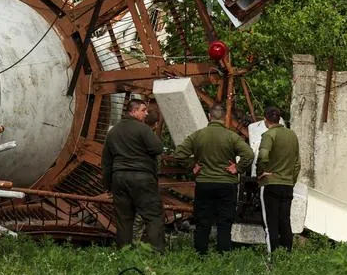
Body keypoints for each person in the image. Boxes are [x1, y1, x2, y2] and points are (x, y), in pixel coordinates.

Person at [174, 103, 254, 254]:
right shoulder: (232, 136)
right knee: (225, 221)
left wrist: (192, 165)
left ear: (209, 117)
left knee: (203, 221)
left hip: (204, 183)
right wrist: (237, 168)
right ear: (225, 118)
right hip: (226, 184)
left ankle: (200, 253)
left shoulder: (198, 135)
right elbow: (249, 154)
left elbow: (179, 153)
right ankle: (223, 253)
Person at [102, 99, 165, 251]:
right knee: (153, 216)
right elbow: (157, 148)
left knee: (124, 219)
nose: (146, 113)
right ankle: (155, 252)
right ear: (134, 111)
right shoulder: (143, 129)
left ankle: (124, 251)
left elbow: (106, 162)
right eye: (143, 110)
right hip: (142, 178)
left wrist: (107, 186)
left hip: (119, 179)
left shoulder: (113, 132)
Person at [256, 106, 301, 253]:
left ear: (265, 120)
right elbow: (297, 163)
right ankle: (287, 256)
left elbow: (263, 156)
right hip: (287, 184)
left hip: (271, 184)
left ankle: (273, 258)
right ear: (279, 118)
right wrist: (291, 180)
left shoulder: (269, 135)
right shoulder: (292, 135)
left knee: (271, 224)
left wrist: (261, 173)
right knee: (285, 222)